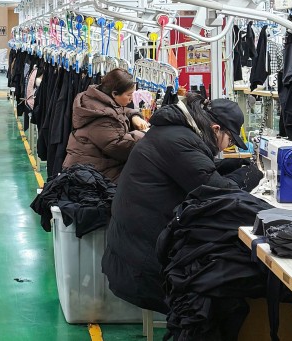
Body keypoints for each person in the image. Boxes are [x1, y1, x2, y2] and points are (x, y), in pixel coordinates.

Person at [102, 93, 264, 314]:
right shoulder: (180, 142)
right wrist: (251, 176)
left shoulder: (174, 133)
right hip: (145, 265)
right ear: (216, 129)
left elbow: (199, 174)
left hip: (134, 248)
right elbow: (220, 194)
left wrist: (231, 167)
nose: (227, 148)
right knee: (232, 284)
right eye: (230, 141)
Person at [62, 68, 149, 182]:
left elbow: (117, 112)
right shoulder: (103, 118)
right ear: (114, 94)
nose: (131, 98)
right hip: (91, 174)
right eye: (129, 95)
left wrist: (134, 116)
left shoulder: (96, 100)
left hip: (90, 166)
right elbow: (118, 146)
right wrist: (144, 133)